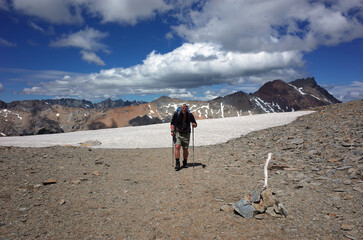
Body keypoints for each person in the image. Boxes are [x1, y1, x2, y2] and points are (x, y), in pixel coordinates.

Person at [170, 104, 197, 171]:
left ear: (187, 109)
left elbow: (195, 123)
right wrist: (172, 130)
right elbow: (172, 123)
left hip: (186, 133)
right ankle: (177, 163)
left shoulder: (190, 115)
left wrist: (194, 124)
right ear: (180, 108)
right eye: (182, 108)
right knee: (177, 146)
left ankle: (185, 162)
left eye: (185, 108)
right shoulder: (176, 114)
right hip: (178, 132)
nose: (184, 109)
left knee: (185, 149)